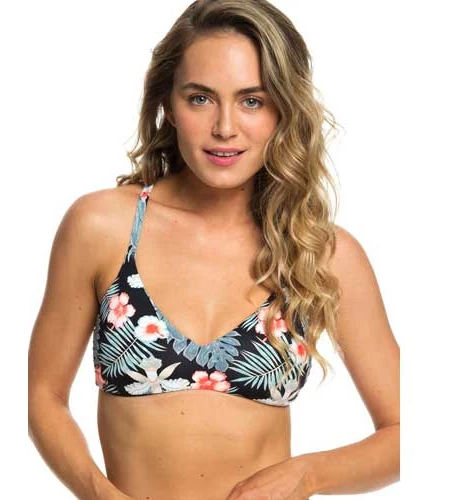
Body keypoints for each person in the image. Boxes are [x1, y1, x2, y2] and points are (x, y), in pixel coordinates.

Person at [28, 1, 400, 499]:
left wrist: (310, 474)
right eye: (200, 98)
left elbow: (409, 432)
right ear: (168, 104)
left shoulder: (320, 253)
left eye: (252, 101)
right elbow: (44, 397)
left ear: (284, 110)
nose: (225, 127)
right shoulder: (102, 227)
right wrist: (99, 493)